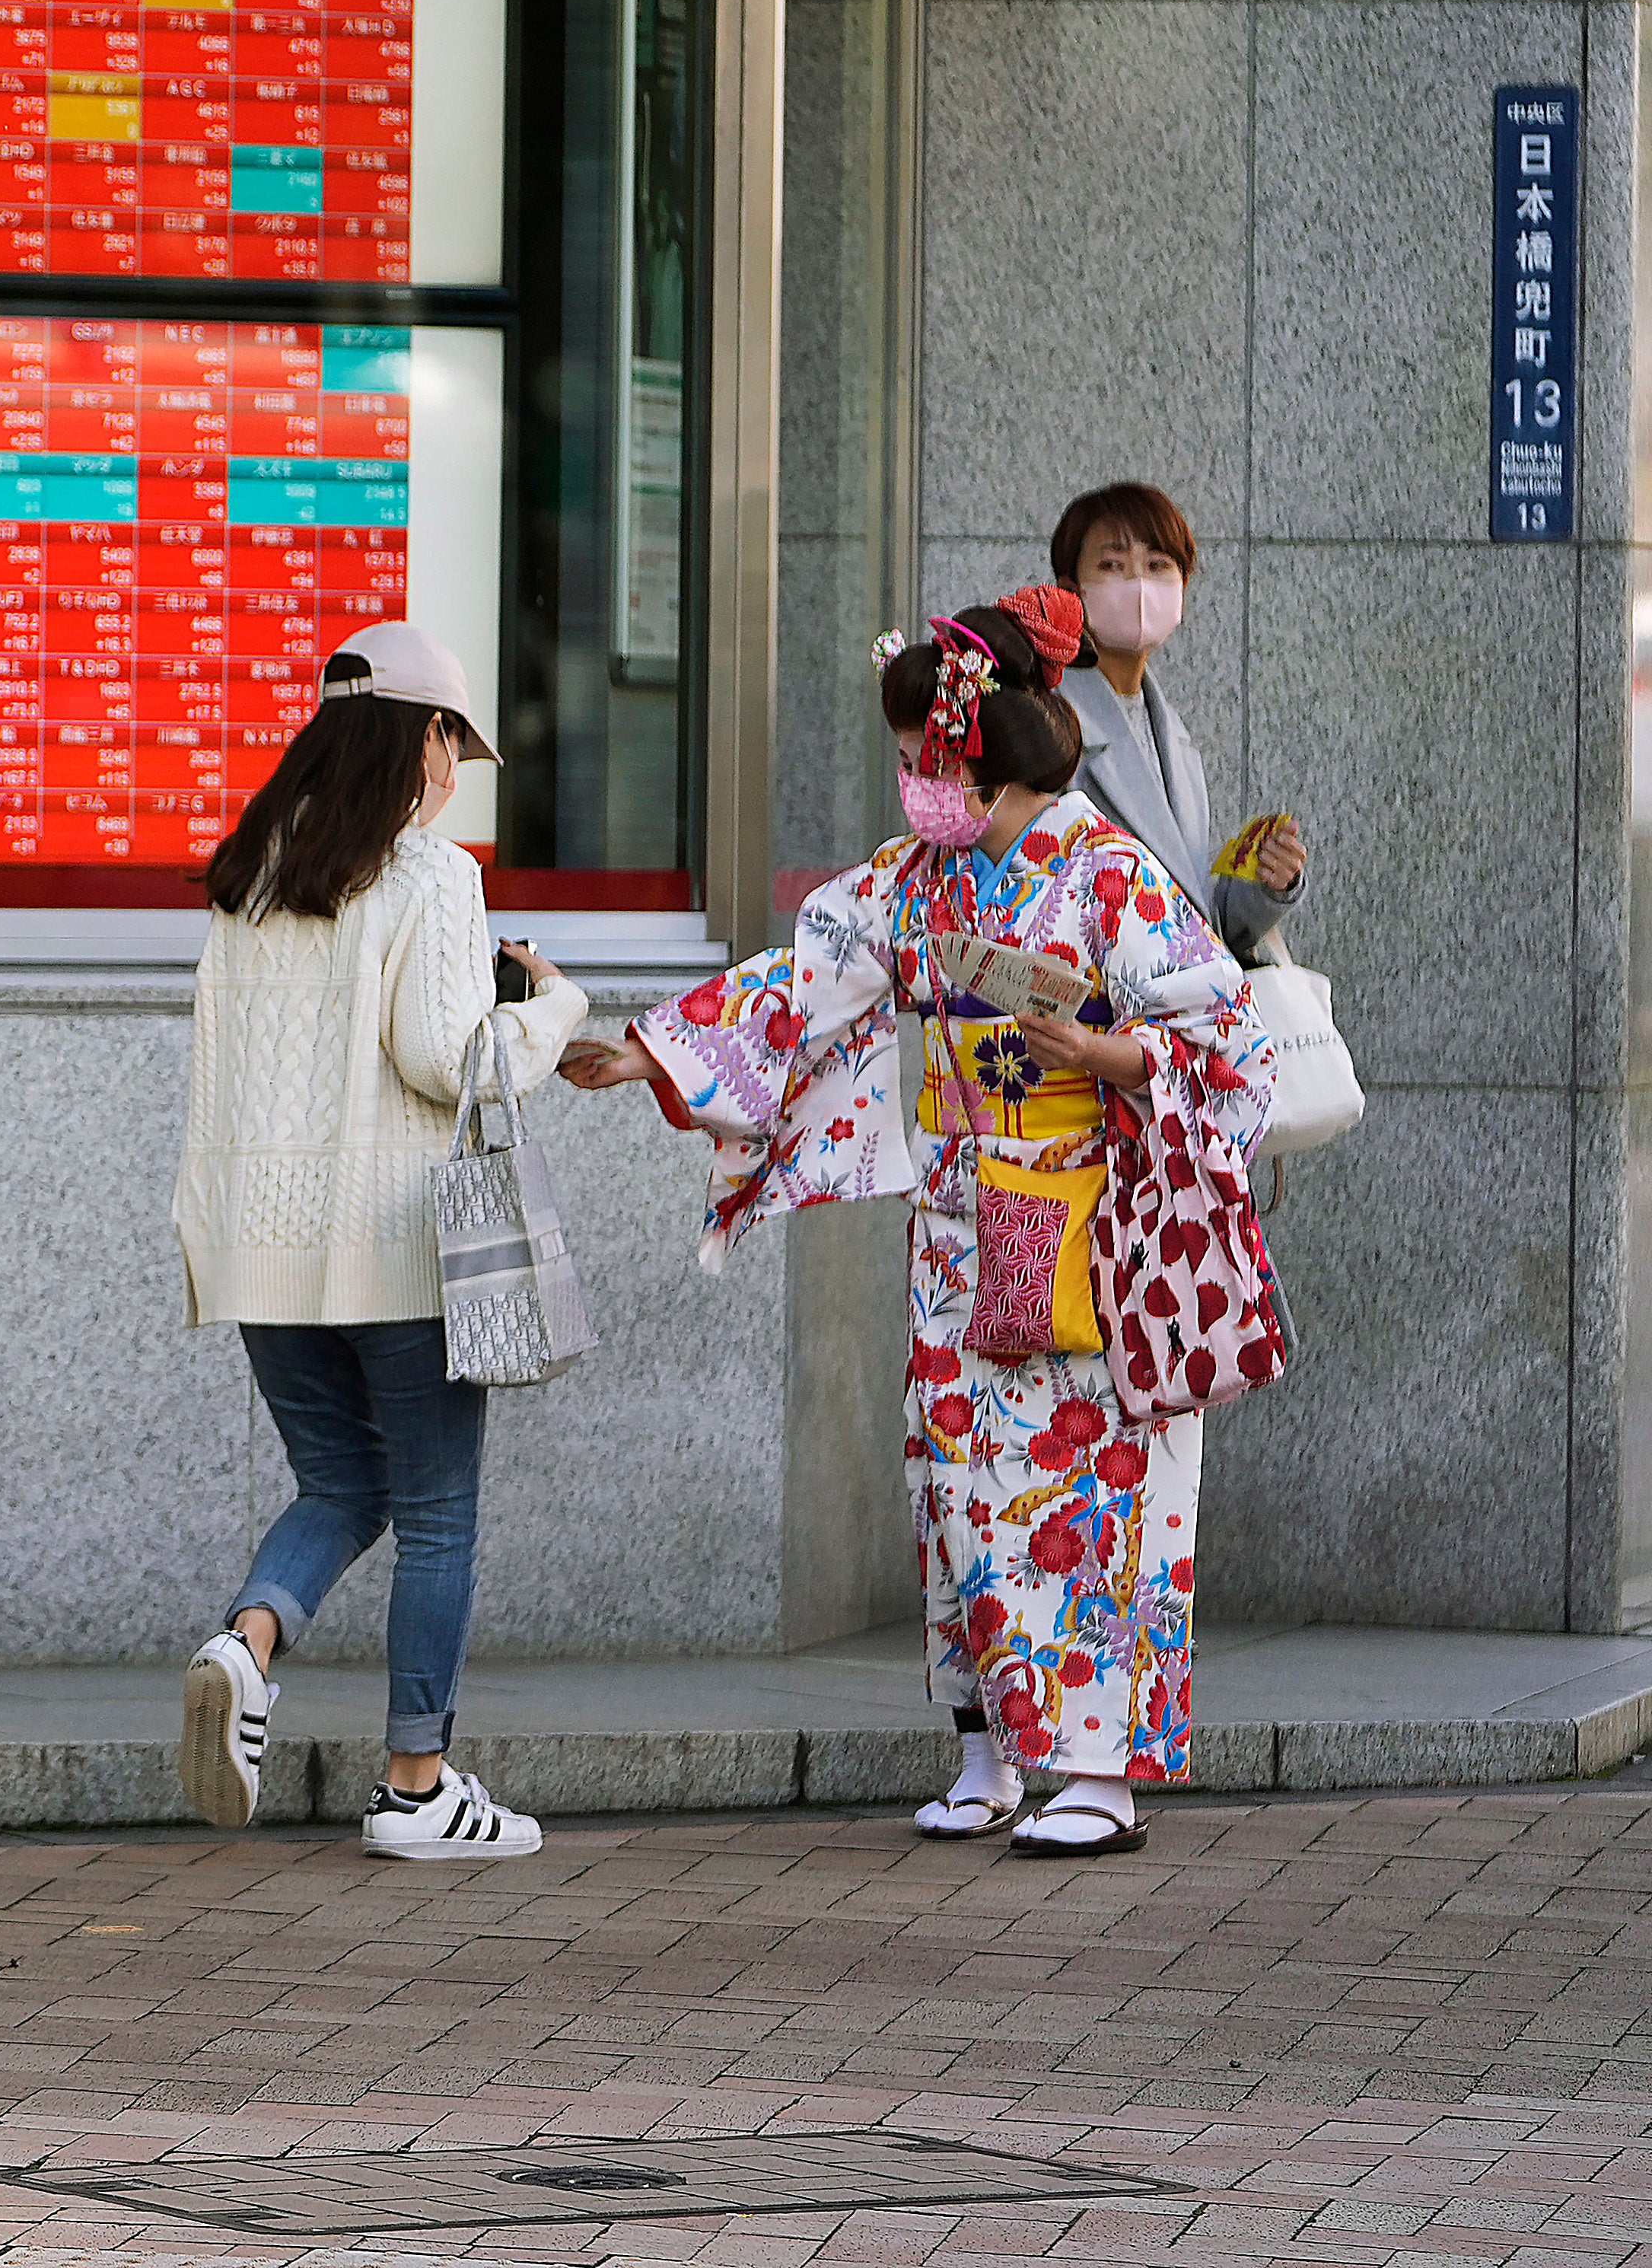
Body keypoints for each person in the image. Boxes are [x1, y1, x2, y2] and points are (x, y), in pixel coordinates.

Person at [561, 592, 1270, 1857]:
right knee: (953, 1487)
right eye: (906, 766)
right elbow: (800, 985)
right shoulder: (916, 884)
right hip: (958, 1228)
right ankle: (988, 1748)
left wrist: (1099, 1048)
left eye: (925, 763)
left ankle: (1099, 1775)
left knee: (1090, 1494)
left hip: (1082, 1227)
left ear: (987, 758)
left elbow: (1232, 1048)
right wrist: (650, 1058)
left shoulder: (1109, 874)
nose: (912, 787)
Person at [172, 622, 587, 1862]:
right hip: (398, 1244)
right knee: (437, 1509)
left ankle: (243, 1649)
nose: (454, 772)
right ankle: (417, 1786)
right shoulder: (433, 877)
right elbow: (442, 1060)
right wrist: (553, 1010)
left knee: (338, 1484)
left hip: (261, 1243)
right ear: (420, 739)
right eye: (453, 743)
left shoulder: (252, 870)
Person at [1051, 482, 1310, 961]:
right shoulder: (1048, 727)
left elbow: (1192, 916)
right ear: (1071, 592)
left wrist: (1266, 885)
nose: (1139, 586)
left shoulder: (1171, 735)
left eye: (1157, 566)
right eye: (1112, 566)